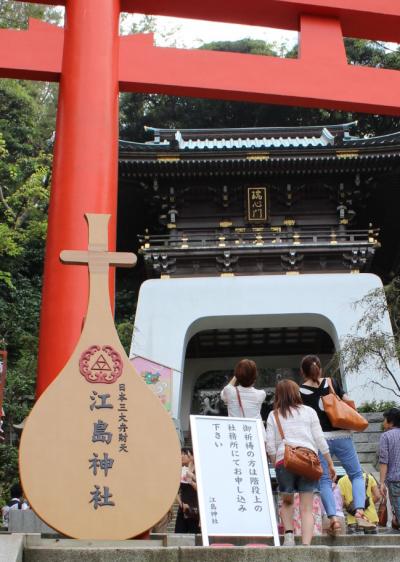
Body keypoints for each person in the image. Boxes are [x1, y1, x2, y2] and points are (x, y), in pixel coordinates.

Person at [299, 355, 375, 534]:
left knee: (324, 480)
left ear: (303, 372)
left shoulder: (300, 391)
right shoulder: (332, 382)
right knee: (356, 475)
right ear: (320, 369)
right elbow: (347, 401)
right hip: (342, 436)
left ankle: (333, 519)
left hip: (319, 440)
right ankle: (359, 512)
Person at [266, 379, 336, 546]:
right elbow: (319, 438)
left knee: (287, 501)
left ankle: (289, 536)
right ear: (296, 393)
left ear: (278, 396)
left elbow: (270, 444)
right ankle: (306, 545)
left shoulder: (274, 414)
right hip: (308, 461)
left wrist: (277, 463)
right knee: (307, 508)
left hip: (285, 461)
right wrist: (329, 462)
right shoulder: (309, 411)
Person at [379, 407, 400, 526]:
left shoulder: (386, 436)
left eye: (385, 419)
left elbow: (383, 461)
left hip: (395, 480)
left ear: (391, 421)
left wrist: (381, 483)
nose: (383, 422)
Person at [174, 448, 200, 534]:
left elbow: (201, 490)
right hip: (183, 509)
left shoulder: (198, 471)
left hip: (195, 509)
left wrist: (191, 481)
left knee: (195, 535)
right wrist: (181, 504)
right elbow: (175, 491)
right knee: (179, 534)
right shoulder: (180, 470)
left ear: (191, 456)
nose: (181, 456)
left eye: (184, 454)